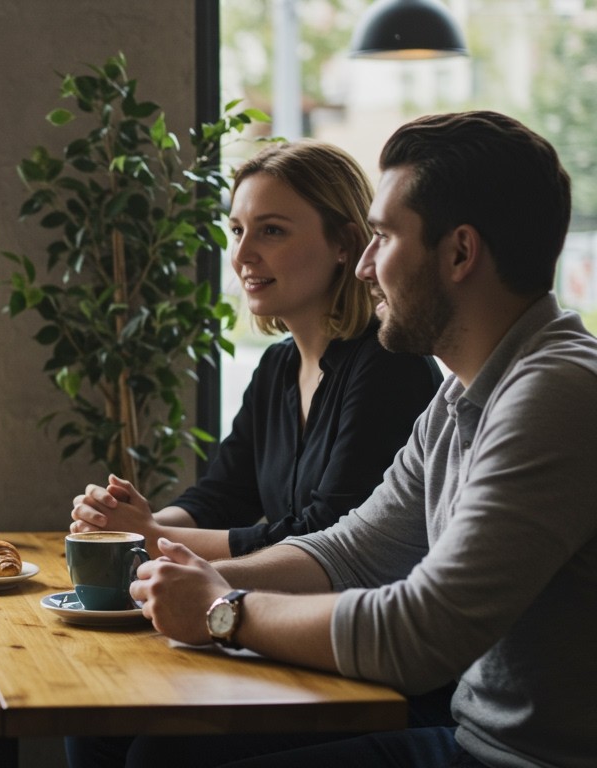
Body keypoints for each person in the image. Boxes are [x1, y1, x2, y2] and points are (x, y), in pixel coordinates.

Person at [117, 111, 596, 767]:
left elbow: (422, 630)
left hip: (516, 759)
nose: (366, 267)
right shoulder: (467, 389)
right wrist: (177, 583)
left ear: (459, 252)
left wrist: (223, 608)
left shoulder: (557, 392)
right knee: (137, 741)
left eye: (383, 237)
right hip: (470, 739)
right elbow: (355, 551)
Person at [71, 140, 441, 561]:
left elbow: (326, 536)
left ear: (344, 244)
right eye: (236, 231)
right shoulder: (278, 366)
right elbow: (223, 496)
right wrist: (122, 521)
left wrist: (149, 535)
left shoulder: (388, 364)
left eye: (271, 230)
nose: (242, 254)